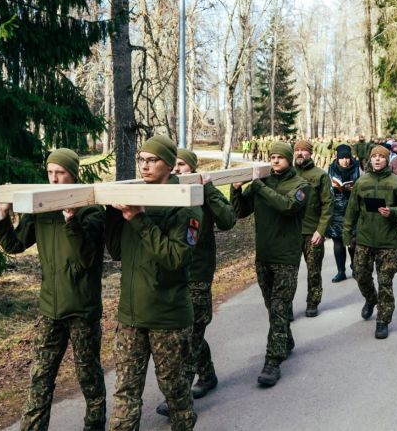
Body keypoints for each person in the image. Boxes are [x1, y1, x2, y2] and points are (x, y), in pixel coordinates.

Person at [0, 148, 106, 431]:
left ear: (73, 174)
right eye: (50, 173)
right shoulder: (41, 208)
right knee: (40, 376)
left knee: (88, 375)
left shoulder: (92, 210)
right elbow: (14, 245)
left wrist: (72, 221)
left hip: (82, 309)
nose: (53, 180)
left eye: (60, 173)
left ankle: (95, 424)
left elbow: (87, 258)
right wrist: (3, 217)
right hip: (50, 308)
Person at [106, 135, 200, 431]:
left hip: (167, 317)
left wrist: (138, 219)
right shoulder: (136, 197)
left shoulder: (186, 205)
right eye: (141, 160)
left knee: (175, 390)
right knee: (125, 393)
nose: (144, 166)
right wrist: (113, 216)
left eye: (152, 160)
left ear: (170, 165)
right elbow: (118, 252)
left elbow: (175, 258)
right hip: (131, 316)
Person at [155, 149, 236, 417]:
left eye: (182, 166)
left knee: (191, 334)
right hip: (172, 275)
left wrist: (209, 188)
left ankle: (179, 396)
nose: (177, 170)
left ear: (192, 168)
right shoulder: (164, 191)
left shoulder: (203, 193)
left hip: (198, 274)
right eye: (173, 166)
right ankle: (208, 374)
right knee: (192, 331)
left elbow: (228, 220)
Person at [231, 141, 310, 387]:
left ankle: (272, 362)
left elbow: (287, 206)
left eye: (280, 157)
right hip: (263, 255)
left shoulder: (301, 185)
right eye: (272, 157)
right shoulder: (261, 184)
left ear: (288, 159)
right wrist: (236, 190)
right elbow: (241, 211)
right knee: (271, 306)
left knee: (279, 308)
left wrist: (258, 187)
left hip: (286, 257)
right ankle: (285, 338)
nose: (275, 160)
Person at [342, 145, 397, 339]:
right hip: (364, 240)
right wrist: (347, 235)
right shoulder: (361, 182)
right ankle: (370, 299)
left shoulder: (396, 182)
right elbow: (351, 211)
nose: (377, 160)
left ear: (387, 159)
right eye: (374, 156)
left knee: (385, 282)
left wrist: (393, 212)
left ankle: (383, 320)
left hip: (386, 242)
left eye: (381, 157)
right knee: (360, 275)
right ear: (370, 160)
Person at [293, 140, 333, 317]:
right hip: (290, 233)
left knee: (313, 271)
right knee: (287, 274)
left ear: (311, 153)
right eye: (297, 150)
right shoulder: (288, 174)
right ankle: (286, 307)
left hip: (312, 232)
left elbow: (328, 204)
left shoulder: (320, 176)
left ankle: (313, 302)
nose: (300, 153)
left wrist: (321, 230)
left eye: (304, 150)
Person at [326, 144, 361, 283]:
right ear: (337, 158)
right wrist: (333, 188)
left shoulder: (358, 168)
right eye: (342, 158)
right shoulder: (330, 170)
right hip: (336, 210)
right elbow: (325, 190)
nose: (345, 161)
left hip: (353, 210)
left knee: (353, 241)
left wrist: (353, 189)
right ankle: (341, 271)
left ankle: (355, 268)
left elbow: (364, 185)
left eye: (347, 158)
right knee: (338, 241)